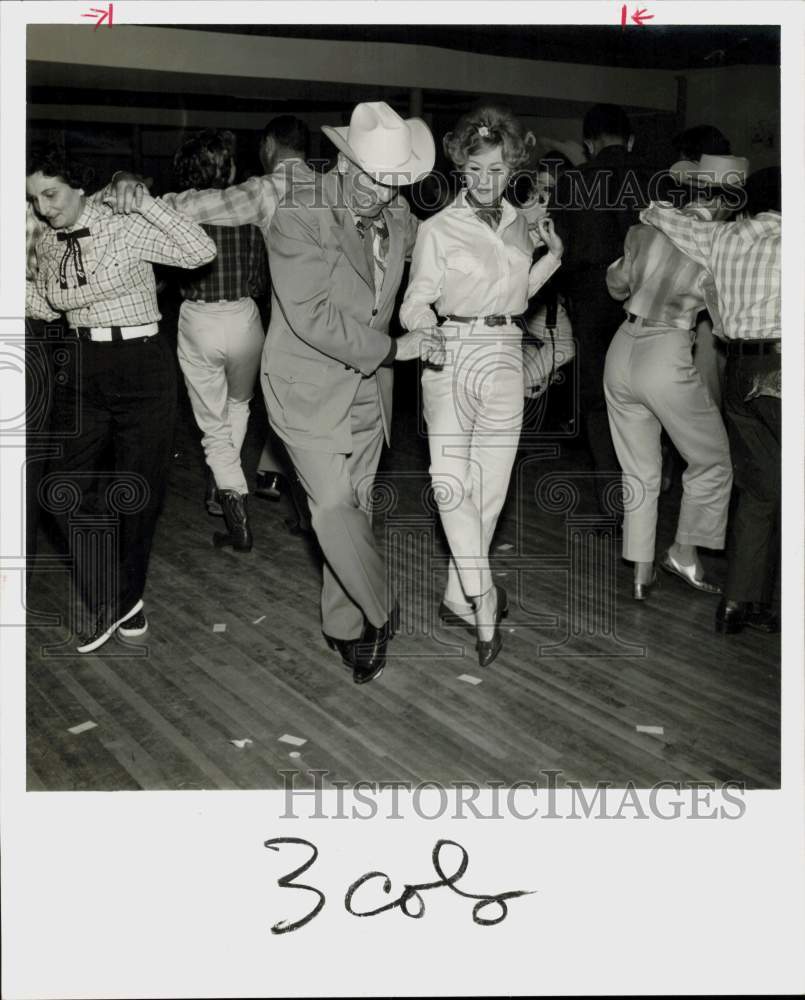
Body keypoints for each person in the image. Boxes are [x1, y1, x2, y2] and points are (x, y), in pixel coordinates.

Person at [264, 101, 441, 684]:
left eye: (393, 184)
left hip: (370, 394)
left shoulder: (398, 216)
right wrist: (395, 349)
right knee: (334, 506)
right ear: (342, 161)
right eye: (369, 178)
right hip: (305, 389)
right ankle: (382, 610)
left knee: (354, 513)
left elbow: (438, 250)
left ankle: (344, 627)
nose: (380, 193)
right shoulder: (300, 213)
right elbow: (312, 316)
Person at [25, 143, 216, 653]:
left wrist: (147, 201)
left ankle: (125, 597)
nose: (44, 208)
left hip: (141, 367)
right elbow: (50, 302)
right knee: (57, 488)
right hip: (83, 367)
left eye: (51, 193)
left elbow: (200, 251)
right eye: (35, 199)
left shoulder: (124, 222)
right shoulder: (46, 240)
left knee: (139, 494)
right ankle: (116, 595)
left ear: (79, 187)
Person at [400, 105, 563, 667]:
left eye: (496, 169)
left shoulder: (521, 223)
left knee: (489, 491)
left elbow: (515, 297)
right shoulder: (437, 228)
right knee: (448, 481)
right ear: (461, 168)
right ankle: (483, 593)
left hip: (504, 355)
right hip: (452, 353)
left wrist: (553, 259)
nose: (486, 180)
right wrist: (429, 332)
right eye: (476, 169)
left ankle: (455, 595)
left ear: (510, 166)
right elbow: (413, 303)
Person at [641, 162, 781, 635]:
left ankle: (739, 603)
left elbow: (658, 214)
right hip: (783, 368)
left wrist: (667, 205)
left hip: (740, 371)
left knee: (760, 492)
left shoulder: (724, 239)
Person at [603, 155, 738, 601]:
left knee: (639, 469)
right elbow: (722, 320)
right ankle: (683, 552)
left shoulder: (646, 227)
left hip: (622, 346)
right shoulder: (721, 242)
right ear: (725, 202)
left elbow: (616, 285)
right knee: (713, 459)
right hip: (666, 352)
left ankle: (641, 572)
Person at [552, 104, 652, 519]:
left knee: (598, 405)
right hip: (650, 303)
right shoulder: (655, 178)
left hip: (591, 300)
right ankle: (649, 500)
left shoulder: (572, 181)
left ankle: (615, 508)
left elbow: (559, 248)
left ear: (588, 144)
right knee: (646, 401)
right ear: (630, 140)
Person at [172, 129, 268, 550]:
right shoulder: (248, 210)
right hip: (245, 317)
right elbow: (259, 279)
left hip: (199, 320)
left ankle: (233, 505)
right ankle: (222, 478)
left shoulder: (177, 211)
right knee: (239, 406)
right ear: (223, 166)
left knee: (212, 426)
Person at [253, 115, 316, 504]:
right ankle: (283, 481)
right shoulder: (331, 186)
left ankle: (279, 477)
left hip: (285, 307)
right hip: (332, 310)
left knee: (284, 398)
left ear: (269, 145)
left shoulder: (264, 188)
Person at [518, 153, 576, 403]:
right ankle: (521, 385)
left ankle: (523, 382)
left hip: (532, 298)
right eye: (538, 186)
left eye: (549, 188)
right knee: (565, 347)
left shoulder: (542, 211)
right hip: (528, 297)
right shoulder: (537, 211)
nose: (541, 194)